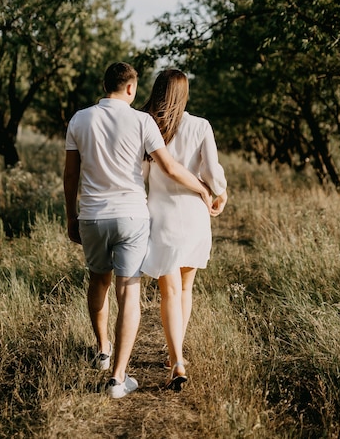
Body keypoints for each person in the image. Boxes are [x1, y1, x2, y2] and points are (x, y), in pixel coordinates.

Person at [63, 62, 211, 399]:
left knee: (98, 279)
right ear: (131, 88)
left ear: (106, 85)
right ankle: (118, 378)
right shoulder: (142, 121)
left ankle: (103, 350)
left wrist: (71, 216)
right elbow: (170, 167)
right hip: (131, 216)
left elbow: (70, 175)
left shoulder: (80, 119)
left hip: (92, 216)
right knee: (128, 289)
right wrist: (202, 190)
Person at [141, 69, 228, 390]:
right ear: (184, 93)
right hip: (194, 215)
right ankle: (174, 357)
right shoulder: (200, 125)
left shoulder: (148, 125)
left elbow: (140, 172)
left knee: (170, 292)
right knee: (186, 290)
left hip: (161, 216)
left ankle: (176, 359)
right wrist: (220, 191)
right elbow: (212, 171)